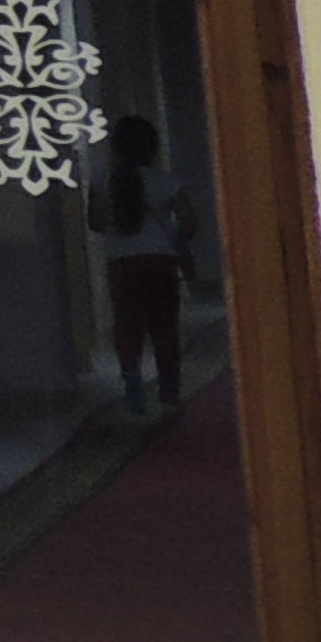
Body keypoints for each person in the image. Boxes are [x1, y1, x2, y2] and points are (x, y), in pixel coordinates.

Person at [101, 111, 197, 417]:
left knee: (127, 327)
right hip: (160, 260)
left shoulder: (103, 181)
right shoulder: (165, 180)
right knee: (164, 327)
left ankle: (133, 392)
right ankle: (169, 392)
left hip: (121, 261)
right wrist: (172, 234)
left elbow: (94, 221)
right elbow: (190, 221)